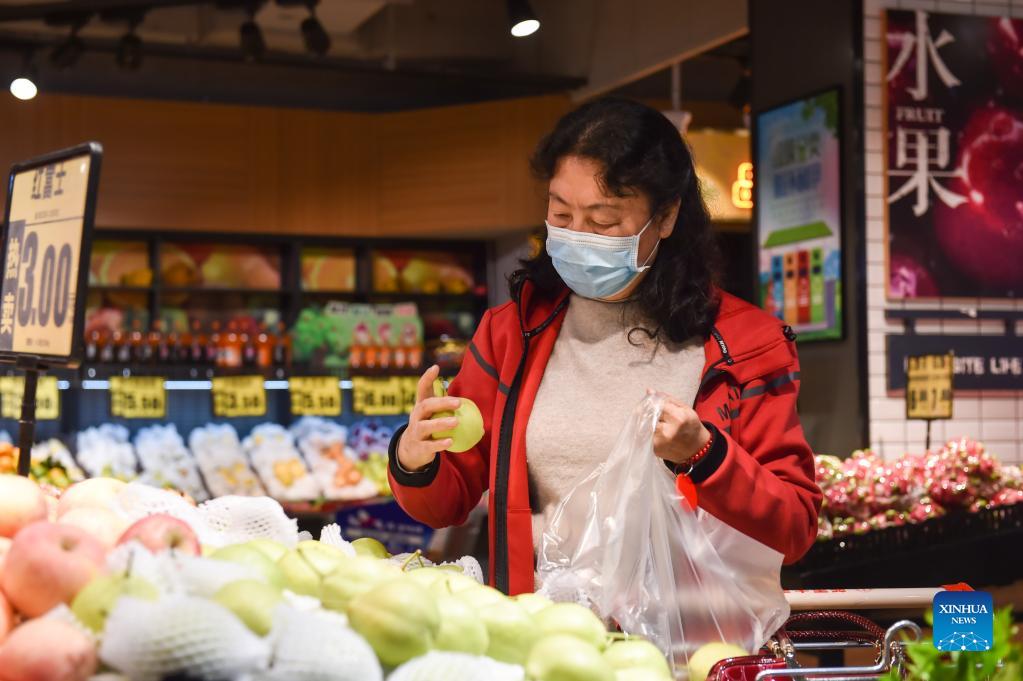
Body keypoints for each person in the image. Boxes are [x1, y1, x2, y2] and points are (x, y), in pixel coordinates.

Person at [388, 97, 822, 596]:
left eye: (603, 221)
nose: (576, 235)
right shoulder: (511, 334)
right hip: (542, 627)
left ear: (666, 217)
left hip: (692, 631)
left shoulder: (747, 344)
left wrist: (704, 454)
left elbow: (793, 529)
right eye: (560, 212)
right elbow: (444, 503)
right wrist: (415, 457)